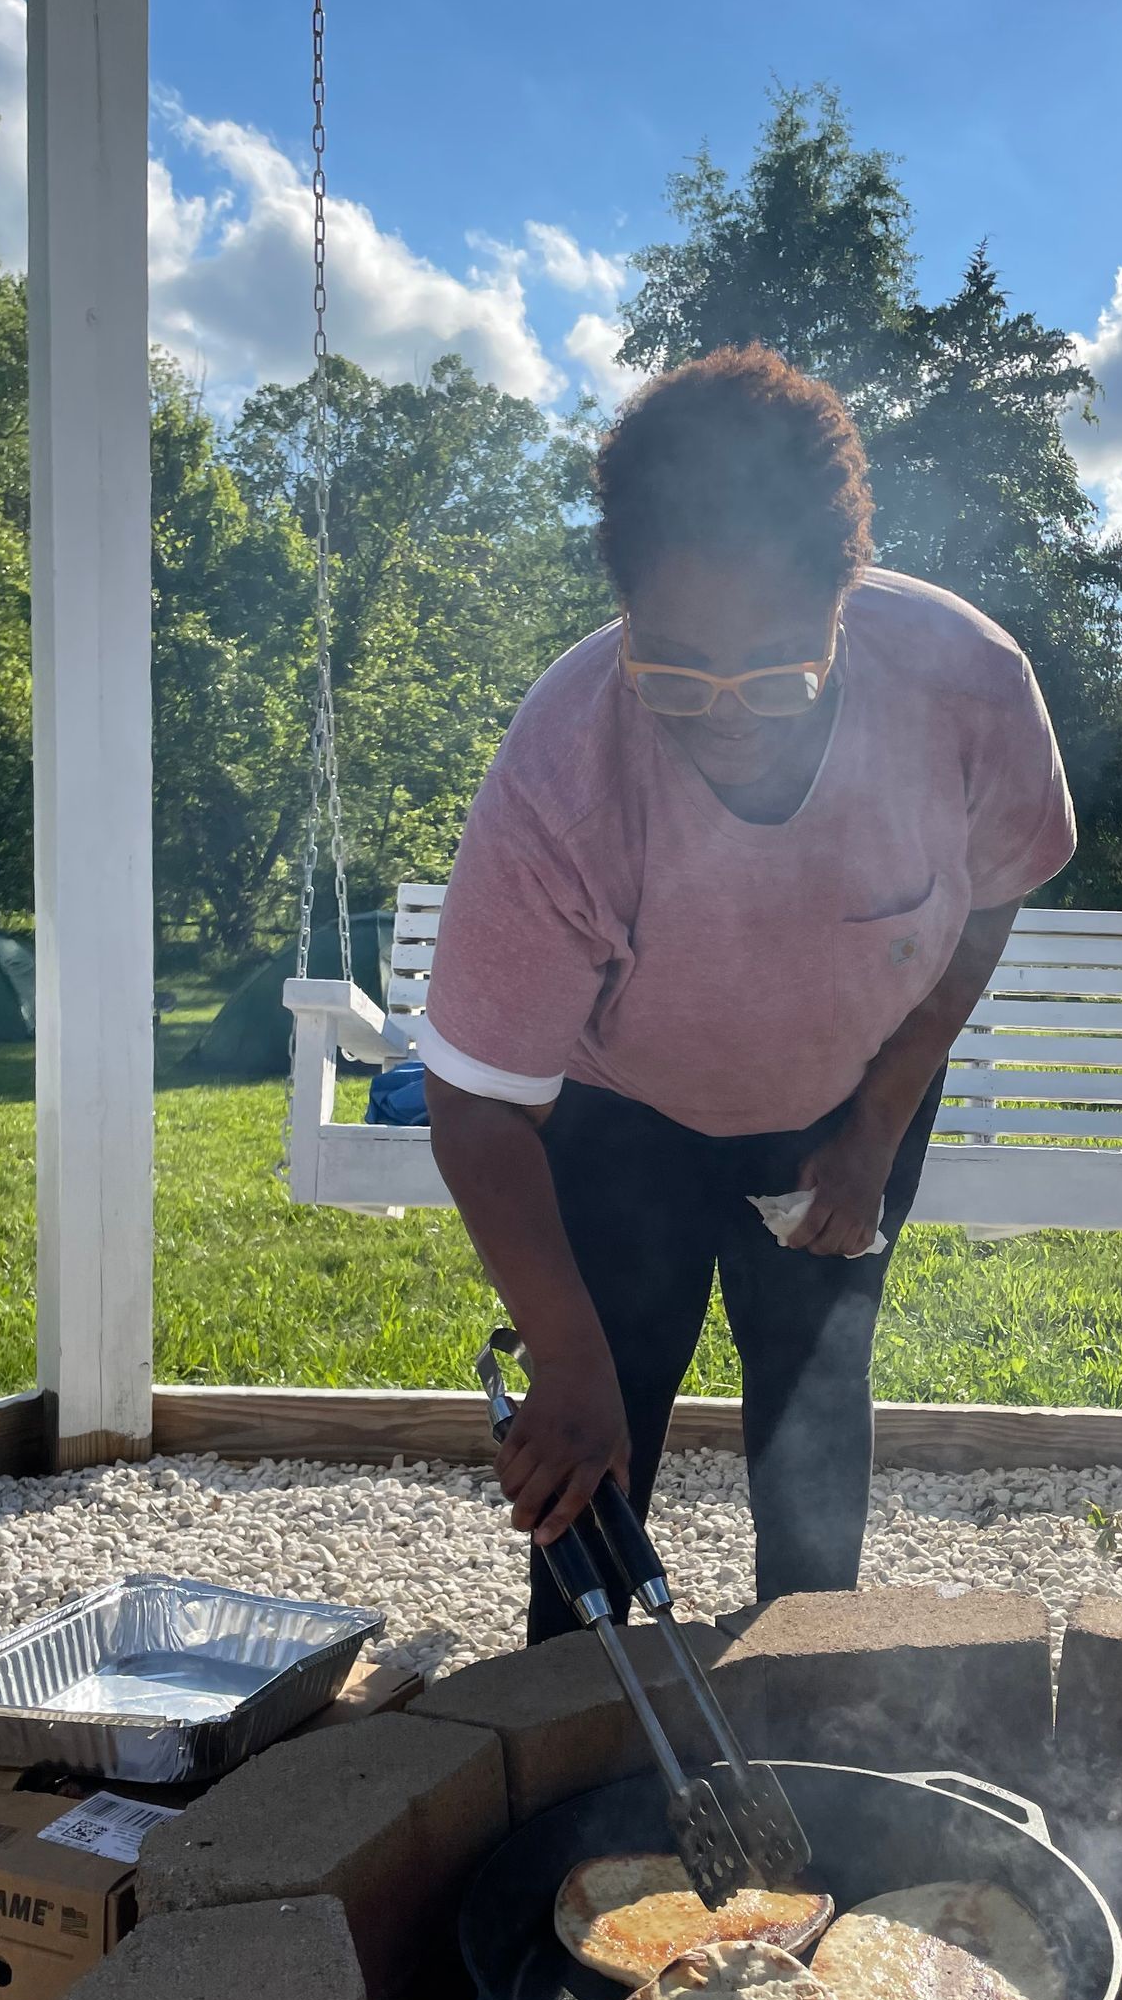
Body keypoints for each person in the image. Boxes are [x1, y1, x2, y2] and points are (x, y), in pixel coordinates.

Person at [421, 346, 1076, 1644]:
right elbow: (477, 1101)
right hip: (621, 1111)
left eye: (778, 669)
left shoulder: (967, 688)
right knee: (604, 1406)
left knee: (815, 1389)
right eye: (674, 669)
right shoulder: (563, 772)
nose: (728, 719)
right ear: (622, 611)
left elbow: (988, 900)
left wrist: (877, 1127)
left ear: (846, 597)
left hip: (849, 1101)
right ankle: (573, 1695)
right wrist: (568, 1363)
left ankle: (813, 1677)